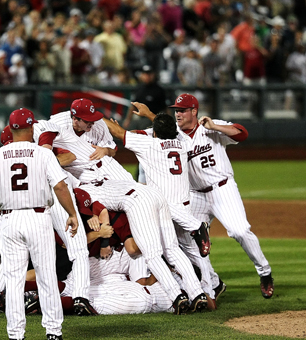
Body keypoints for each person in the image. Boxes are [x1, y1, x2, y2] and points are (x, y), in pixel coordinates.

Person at [0, 108, 79, 340]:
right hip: (38, 218)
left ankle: (16, 337)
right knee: (47, 277)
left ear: (11, 129)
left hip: (10, 220)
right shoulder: (43, 154)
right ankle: (53, 334)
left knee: (13, 279)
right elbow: (61, 187)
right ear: (32, 127)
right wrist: (72, 214)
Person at [168, 93, 274, 299]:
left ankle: (264, 271)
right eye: (176, 110)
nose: (178, 114)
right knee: (189, 240)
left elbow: (242, 134)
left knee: (240, 231)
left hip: (222, 188)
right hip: (196, 195)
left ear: (194, 111)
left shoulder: (211, 126)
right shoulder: (174, 134)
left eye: (182, 110)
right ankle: (212, 285)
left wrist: (215, 127)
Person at [75, 179, 208, 314]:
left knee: (152, 255)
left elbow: (101, 210)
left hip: (136, 200)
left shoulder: (80, 193)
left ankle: (177, 296)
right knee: (172, 249)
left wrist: (104, 243)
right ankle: (198, 294)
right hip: (154, 194)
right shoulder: (104, 180)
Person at [104, 108, 211, 258]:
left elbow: (120, 134)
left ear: (154, 133)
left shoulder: (150, 145)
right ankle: (211, 281)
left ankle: (196, 226)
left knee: (164, 248)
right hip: (184, 207)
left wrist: (98, 119)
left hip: (167, 209)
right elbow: (165, 128)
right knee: (190, 251)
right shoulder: (182, 142)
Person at [37, 98, 134, 183]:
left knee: (132, 186)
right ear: (75, 119)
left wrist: (106, 150)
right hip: (75, 170)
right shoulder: (57, 123)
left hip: (103, 165)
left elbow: (113, 151)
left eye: (93, 118)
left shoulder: (98, 124)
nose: (92, 122)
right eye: (87, 120)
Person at [123, 65, 167, 129]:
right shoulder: (139, 89)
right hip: (141, 118)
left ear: (153, 75)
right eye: (145, 74)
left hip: (155, 119)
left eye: (149, 74)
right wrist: (128, 119)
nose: (147, 76)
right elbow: (133, 106)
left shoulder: (159, 90)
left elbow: (165, 108)